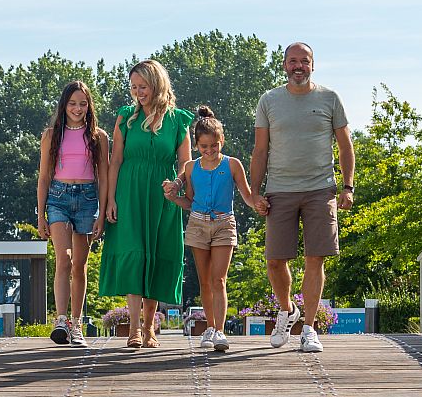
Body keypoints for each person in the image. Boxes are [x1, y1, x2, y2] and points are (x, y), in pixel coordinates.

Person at [250, 41, 354, 353]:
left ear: (312, 65)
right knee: (274, 260)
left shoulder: (329, 98)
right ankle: (287, 310)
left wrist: (347, 187)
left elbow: (346, 145)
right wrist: (254, 193)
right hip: (279, 189)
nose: (298, 66)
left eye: (304, 61)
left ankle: (308, 328)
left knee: (315, 258)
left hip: (320, 189)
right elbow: (260, 150)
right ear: (284, 65)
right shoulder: (269, 100)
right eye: (293, 61)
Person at [100, 59, 193, 349]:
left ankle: (150, 328)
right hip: (129, 194)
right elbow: (114, 161)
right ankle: (133, 330)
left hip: (163, 197)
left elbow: (185, 163)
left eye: (143, 86)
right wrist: (111, 199)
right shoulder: (125, 116)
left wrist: (177, 184)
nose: (138, 92)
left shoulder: (178, 120)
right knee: (134, 256)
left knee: (155, 255)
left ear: (157, 85)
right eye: (134, 87)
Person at [162, 105, 266, 353]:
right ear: (197, 145)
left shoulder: (232, 165)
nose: (209, 151)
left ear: (222, 141)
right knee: (205, 281)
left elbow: (246, 194)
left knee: (219, 279)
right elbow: (189, 201)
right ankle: (210, 326)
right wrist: (173, 198)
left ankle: (219, 330)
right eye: (204, 147)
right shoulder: (190, 168)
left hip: (223, 224)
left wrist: (257, 204)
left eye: (214, 146)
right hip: (197, 224)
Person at [36, 80, 108, 346]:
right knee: (63, 259)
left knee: (80, 264)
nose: (77, 108)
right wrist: (40, 215)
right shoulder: (51, 135)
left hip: (88, 199)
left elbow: (103, 177)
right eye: (72, 103)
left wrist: (101, 214)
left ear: (89, 106)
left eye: (83, 103)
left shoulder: (98, 137)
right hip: (58, 198)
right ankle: (61, 320)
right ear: (64, 105)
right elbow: (43, 177)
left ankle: (77, 324)